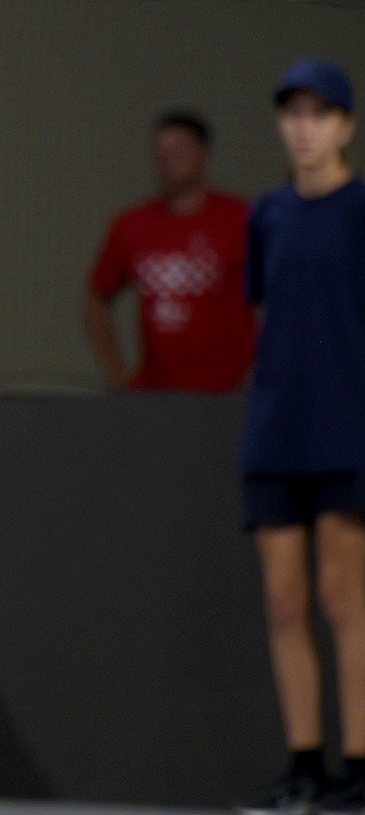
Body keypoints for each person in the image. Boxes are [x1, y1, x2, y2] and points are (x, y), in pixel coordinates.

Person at [239, 59, 365, 815]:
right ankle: (304, 763)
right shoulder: (268, 214)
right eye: (292, 114)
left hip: (348, 426)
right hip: (277, 427)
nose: (304, 129)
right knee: (284, 600)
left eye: (320, 114)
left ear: (346, 126)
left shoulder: (360, 209)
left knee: (343, 597)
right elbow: (264, 313)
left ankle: (359, 765)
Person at [85, 111, 254, 393]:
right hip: (157, 392)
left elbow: (288, 294)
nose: (168, 160)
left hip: (226, 394)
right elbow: (96, 299)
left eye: (179, 151)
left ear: (203, 154)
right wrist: (116, 376)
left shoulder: (241, 219)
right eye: (161, 152)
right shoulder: (133, 225)